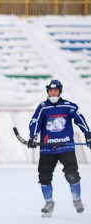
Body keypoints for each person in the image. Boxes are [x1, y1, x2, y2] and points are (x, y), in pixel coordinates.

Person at [27, 79, 91, 217]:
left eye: (55, 90)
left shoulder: (69, 106)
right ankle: (49, 203)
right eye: (50, 91)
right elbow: (35, 122)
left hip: (66, 147)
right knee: (44, 177)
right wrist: (32, 137)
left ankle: (77, 200)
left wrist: (88, 135)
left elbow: (80, 120)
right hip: (47, 149)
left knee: (72, 174)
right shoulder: (43, 107)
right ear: (48, 92)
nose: (53, 93)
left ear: (59, 91)